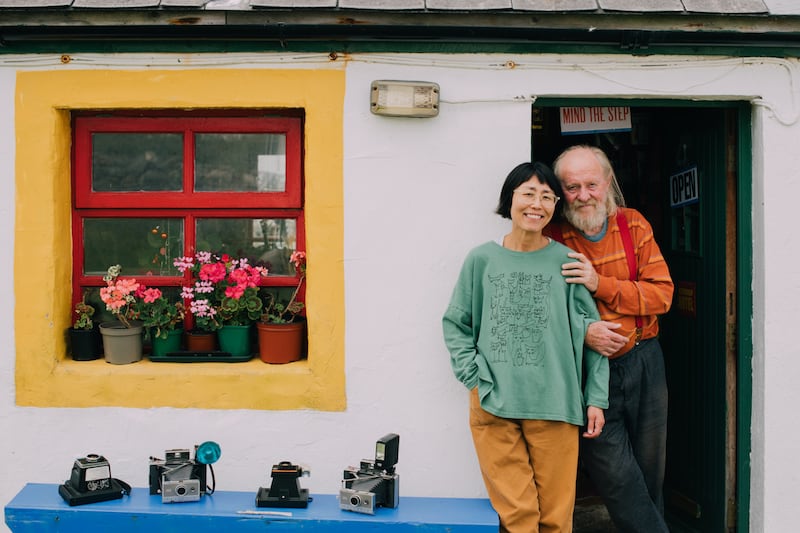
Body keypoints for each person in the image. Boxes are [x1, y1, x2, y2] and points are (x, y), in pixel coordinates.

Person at [442, 161, 609, 533]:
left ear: (555, 206)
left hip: (556, 404)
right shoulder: (481, 259)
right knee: (518, 518)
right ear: (510, 199)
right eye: (528, 194)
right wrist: (474, 379)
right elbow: (456, 323)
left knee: (556, 520)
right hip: (494, 404)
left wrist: (596, 397)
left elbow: (593, 333)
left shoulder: (566, 262)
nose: (537, 204)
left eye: (547, 197)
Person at [549, 145, 674, 533]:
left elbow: (662, 295)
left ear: (608, 183)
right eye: (572, 187)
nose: (583, 195)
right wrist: (583, 333)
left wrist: (598, 283)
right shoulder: (551, 238)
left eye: (591, 184)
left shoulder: (633, 225)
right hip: (588, 373)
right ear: (560, 191)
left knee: (649, 472)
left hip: (644, 358)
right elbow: (542, 314)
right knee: (617, 475)